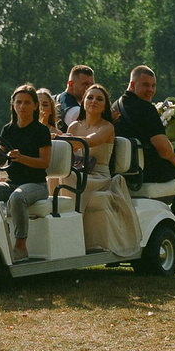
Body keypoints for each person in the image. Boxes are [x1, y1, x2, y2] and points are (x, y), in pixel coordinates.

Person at [115, 66, 175, 237]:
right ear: (132, 84)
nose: (150, 90)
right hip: (143, 172)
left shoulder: (116, 106)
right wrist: (173, 156)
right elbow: (163, 149)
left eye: (153, 85)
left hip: (120, 171)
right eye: (145, 85)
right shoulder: (146, 109)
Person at [64, 83, 140, 253]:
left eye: (99, 99)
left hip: (99, 176)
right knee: (57, 174)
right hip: (79, 171)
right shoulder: (74, 126)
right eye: (90, 97)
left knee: (69, 177)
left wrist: (59, 138)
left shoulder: (107, 127)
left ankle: (72, 228)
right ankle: (58, 221)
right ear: (83, 102)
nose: (94, 101)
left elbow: (89, 141)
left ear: (105, 105)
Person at [0, 84, 52, 258]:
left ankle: (20, 247)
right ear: (13, 105)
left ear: (35, 106)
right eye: (18, 102)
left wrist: (22, 158)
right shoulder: (8, 129)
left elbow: (44, 163)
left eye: (27, 102)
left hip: (37, 185)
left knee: (17, 198)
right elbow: (1, 160)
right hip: (12, 183)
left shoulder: (41, 131)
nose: (22, 106)